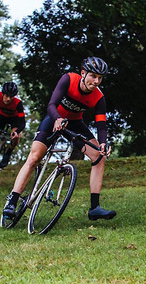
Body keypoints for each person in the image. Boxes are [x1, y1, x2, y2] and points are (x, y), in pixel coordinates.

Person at [3, 57, 116, 221]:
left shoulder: (99, 98)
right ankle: (12, 202)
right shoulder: (69, 79)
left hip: (75, 124)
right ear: (83, 73)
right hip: (54, 119)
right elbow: (51, 105)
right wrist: (57, 119)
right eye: (93, 76)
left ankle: (95, 208)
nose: (96, 81)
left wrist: (104, 143)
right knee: (34, 158)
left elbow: (101, 124)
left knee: (99, 156)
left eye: (100, 78)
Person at [0, 82, 26, 168]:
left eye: (11, 97)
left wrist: (16, 132)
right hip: (1, 116)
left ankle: (8, 153)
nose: (8, 99)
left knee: (16, 136)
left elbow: (22, 122)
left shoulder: (18, 103)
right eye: (6, 96)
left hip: (14, 119)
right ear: (2, 93)